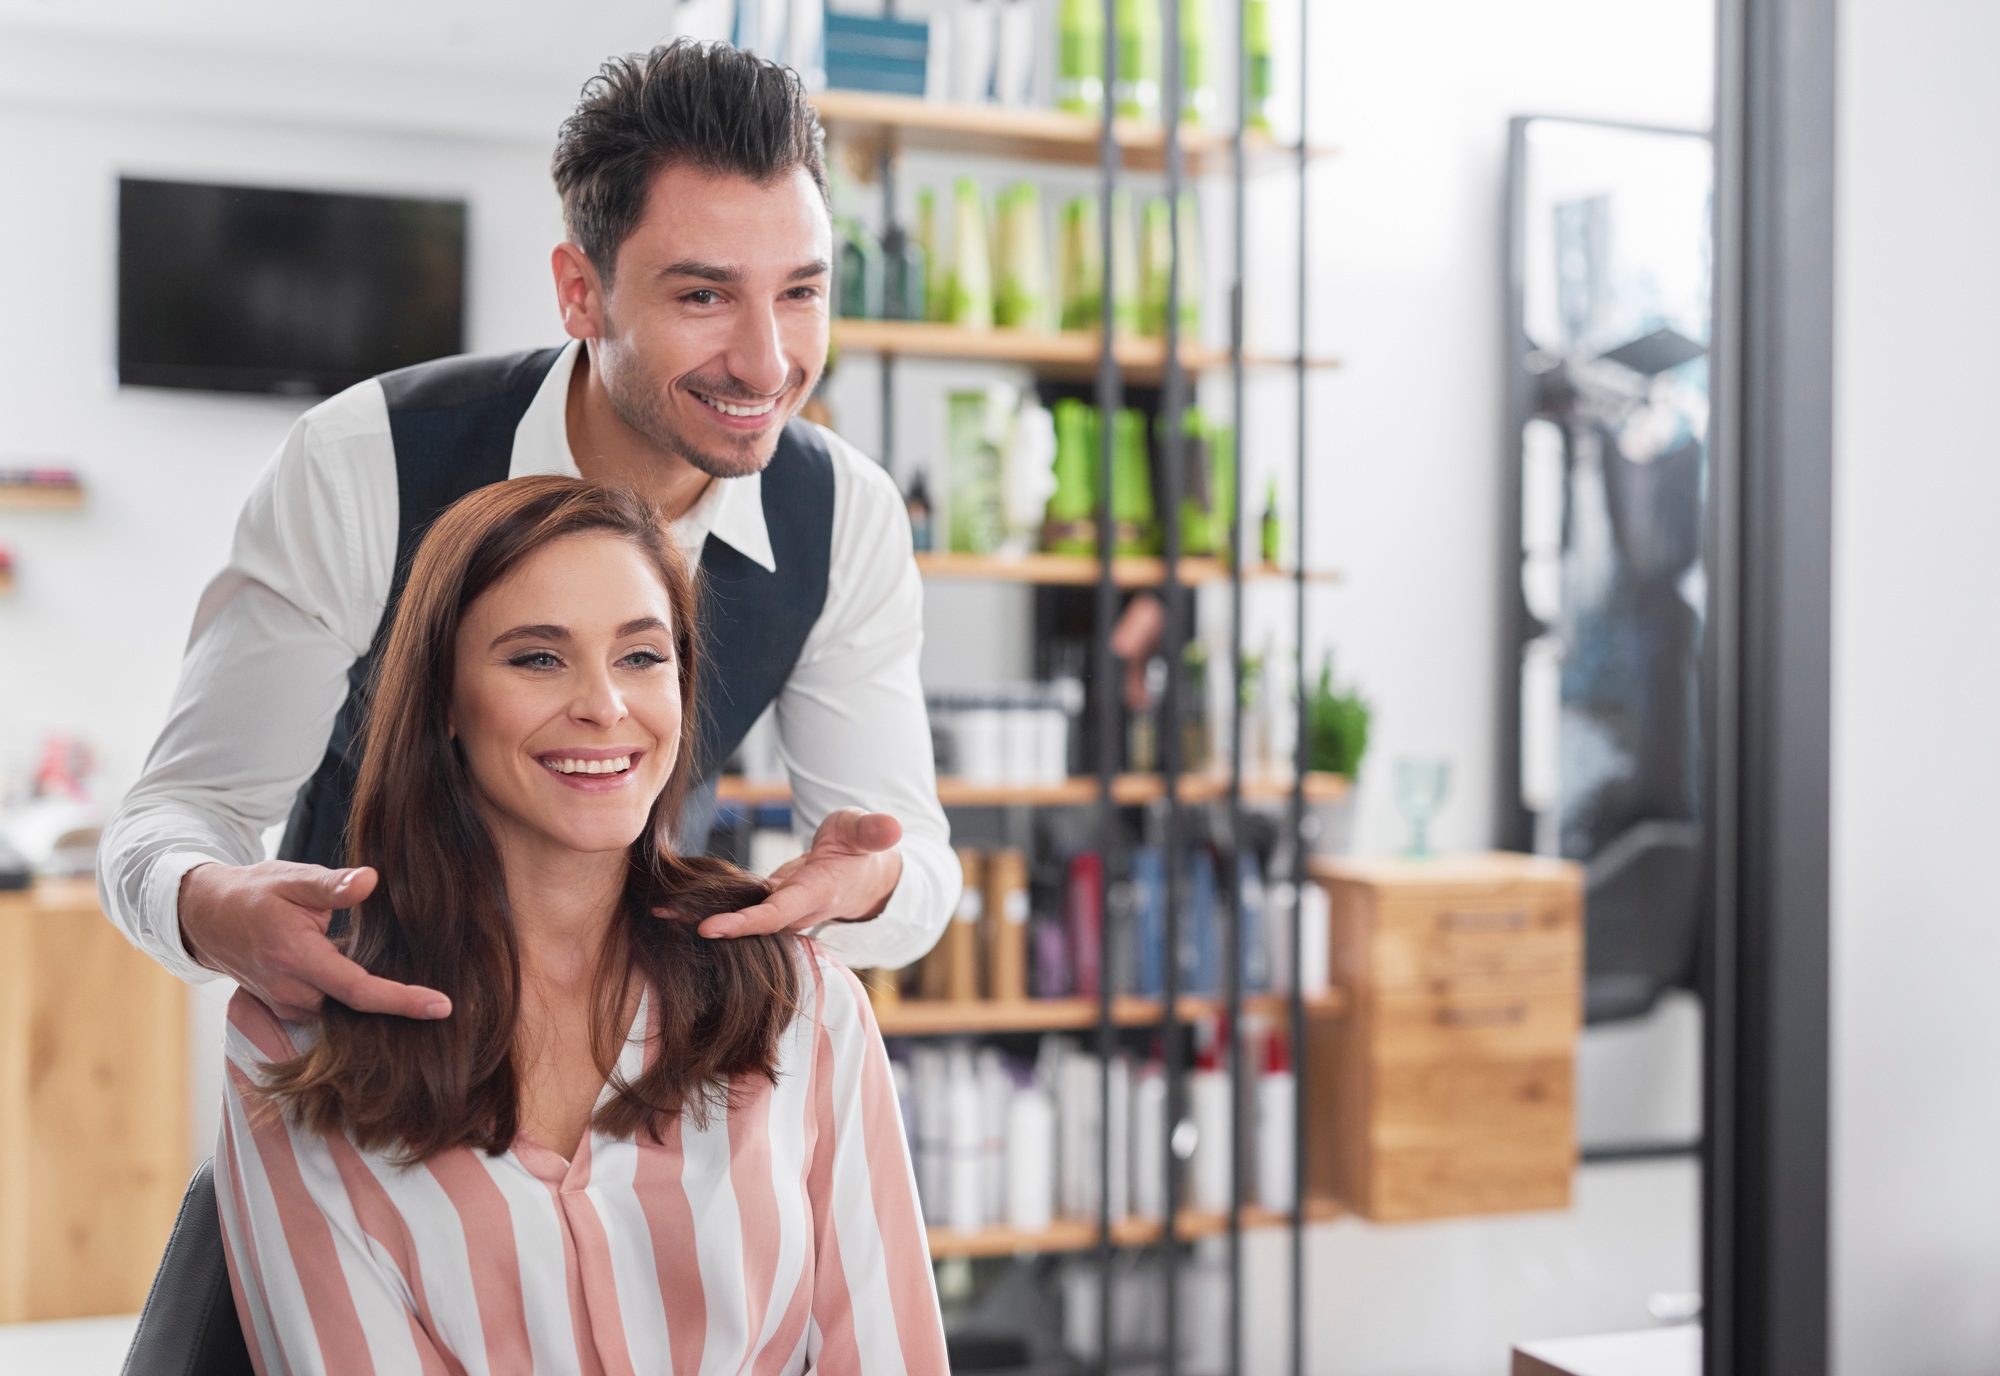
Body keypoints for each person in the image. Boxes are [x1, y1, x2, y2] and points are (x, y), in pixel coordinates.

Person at [98, 39, 957, 1023]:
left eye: (800, 292)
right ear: (579, 290)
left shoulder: (843, 517)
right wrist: (210, 905)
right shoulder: (363, 461)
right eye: (704, 295)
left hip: (627, 1080)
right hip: (363, 1081)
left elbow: (915, 868)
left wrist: (869, 890)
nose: (766, 364)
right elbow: (174, 815)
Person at [217, 475, 948, 1372]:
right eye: (537, 658)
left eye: (642, 657)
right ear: (444, 699)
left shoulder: (803, 1001)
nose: (605, 705)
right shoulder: (292, 1037)